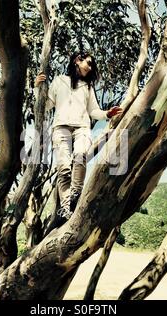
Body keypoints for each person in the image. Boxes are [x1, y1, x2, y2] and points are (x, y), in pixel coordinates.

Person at [34, 51, 122, 225]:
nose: (89, 68)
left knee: (80, 155)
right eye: (87, 63)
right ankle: (66, 208)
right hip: (60, 128)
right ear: (77, 61)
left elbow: (93, 111)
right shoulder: (59, 81)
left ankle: (76, 193)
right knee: (64, 169)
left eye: (91, 66)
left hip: (82, 127)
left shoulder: (87, 87)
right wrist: (37, 88)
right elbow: (45, 106)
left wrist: (107, 113)